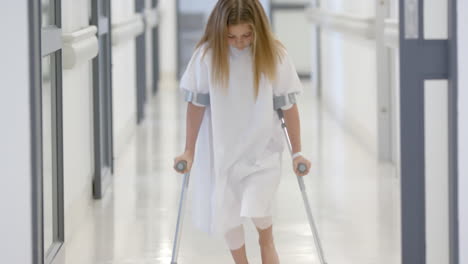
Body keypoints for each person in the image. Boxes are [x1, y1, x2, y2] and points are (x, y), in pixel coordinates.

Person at [173, 0, 311, 263]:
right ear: (219, 31)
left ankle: (266, 241)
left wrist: (298, 152)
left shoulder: (274, 54)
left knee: (259, 209)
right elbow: (196, 105)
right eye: (231, 36)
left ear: (258, 28)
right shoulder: (207, 56)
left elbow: (288, 107)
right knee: (229, 216)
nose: (239, 42)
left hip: (263, 149)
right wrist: (189, 150)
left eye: (246, 35)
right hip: (223, 150)